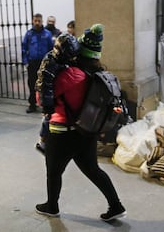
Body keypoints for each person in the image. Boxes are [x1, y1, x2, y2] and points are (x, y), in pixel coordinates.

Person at [35, 24, 127, 222]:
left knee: (54, 172)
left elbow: (41, 99)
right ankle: (116, 205)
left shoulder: (70, 75)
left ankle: (52, 206)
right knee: (93, 170)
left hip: (62, 133)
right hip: (86, 131)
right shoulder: (97, 73)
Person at [22, 13, 53, 113]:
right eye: (35, 21)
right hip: (32, 63)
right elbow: (24, 48)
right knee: (32, 84)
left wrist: (50, 62)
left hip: (43, 63)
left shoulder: (47, 34)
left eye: (39, 21)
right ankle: (32, 105)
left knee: (44, 84)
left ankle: (45, 105)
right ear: (32, 21)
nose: (37, 23)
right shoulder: (29, 34)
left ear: (42, 21)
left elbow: (51, 49)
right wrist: (26, 62)